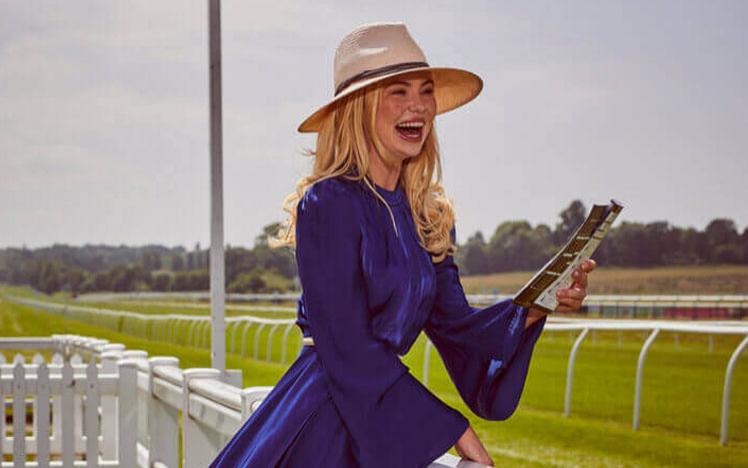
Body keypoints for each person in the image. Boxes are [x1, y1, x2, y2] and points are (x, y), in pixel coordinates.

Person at [210, 22, 596, 468]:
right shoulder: (329, 203)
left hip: (377, 412)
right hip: (321, 414)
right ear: (359, 107)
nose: (418, 106)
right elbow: (348, 346)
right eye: (398, 91)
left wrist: (537, 304)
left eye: (425, 90)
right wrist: (450, 427)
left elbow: (459, 330)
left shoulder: (428, 217)